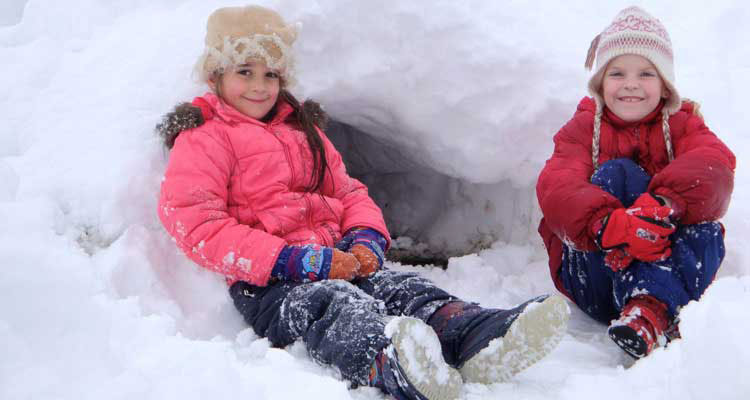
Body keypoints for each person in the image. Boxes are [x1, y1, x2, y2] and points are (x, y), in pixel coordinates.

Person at [157, 5, 569, 399]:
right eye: (244, 71)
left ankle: (470, 332)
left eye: (271, 73)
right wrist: (289, 260)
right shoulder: (205, 136)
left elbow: (348, 191)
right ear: (215, 75)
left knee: (399, 286)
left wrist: (365, 238)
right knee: (334, 307)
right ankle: (389, 362)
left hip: (336, 255)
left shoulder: (304, 131)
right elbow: (196, 222)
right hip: (270, 283)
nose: (259, 85)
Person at [536, 6, 735, 359]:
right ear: (600, 82)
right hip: (598, 274)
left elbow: (715, 166)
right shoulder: (582, 129)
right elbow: (557, 185)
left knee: (706, 231)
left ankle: (651, 310)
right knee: (618, 174)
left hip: (667, 276)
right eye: (617, 73)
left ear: (665, 85)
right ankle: (649, 303)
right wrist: (609, 226)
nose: (631, 83)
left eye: (646, 73)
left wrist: (665, 204)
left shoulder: (684, 125)